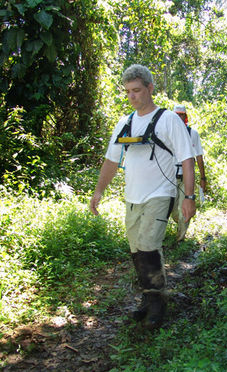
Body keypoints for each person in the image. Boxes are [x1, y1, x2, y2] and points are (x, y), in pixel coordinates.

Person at [89, 64, 196, 329]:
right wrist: (98, 191)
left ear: (150, 88)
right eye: (127, 92)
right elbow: (111, 161)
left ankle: (158, 306)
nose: (132, 96)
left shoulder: (168, 119)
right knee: (137, 251)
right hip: (133, 198)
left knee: (149, 246)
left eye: (137, 90)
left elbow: (187, 159)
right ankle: (148, 300)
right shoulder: (124, 123)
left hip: (161, 193)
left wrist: (189, 196)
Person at [171, 104, 207, 242]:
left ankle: (180, 239)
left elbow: (199, 157)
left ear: (185, 117)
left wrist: (203, 177)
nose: (179, 118)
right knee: (173, 211)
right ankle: (178, 227)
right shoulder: (167, 133)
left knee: (183, 210)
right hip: (169, 176)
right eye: (177, 115)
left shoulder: (193, 134)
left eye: (182, 115)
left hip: (186, 177)